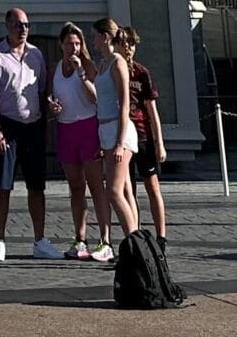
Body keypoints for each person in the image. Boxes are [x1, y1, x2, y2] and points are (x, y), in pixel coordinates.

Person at [0, 8, 59, 263]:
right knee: (3, 185)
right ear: (7, 26)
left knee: (37, 186)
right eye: (18, 25)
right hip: (8, 127)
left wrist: (48, 117)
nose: (23, 29)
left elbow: (41, 91)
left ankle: (40, 240)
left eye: (26, 25)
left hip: (33, 126)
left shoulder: (36, 55)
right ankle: (0, 240)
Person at [47, 23, 103, 261]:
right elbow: (52, 99)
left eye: (78, 43)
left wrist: (81, 74)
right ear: (61, 45)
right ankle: (80, 238)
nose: (74, 48)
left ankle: (105, 239)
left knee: (96, 186)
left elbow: (95, 97)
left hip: (88, 127)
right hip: (66, 128)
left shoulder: (88, 66)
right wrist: (53, 107)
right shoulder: (55, 68)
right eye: (70, 43)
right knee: (76, 187)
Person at [90, 20, 137, 264]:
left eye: (96, 37)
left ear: (106, 36)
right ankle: (133, 243)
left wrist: (119, 143)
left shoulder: (118, 63)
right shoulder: (102, 65)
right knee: (124, 189)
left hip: (120, 132)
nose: (94, 42)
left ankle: (134, 244)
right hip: (105, 129)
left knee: (114, 191)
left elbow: (124, 103)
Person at [120, 26, 168, 240]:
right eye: (123, 43)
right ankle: (135, 235)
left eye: (131, 44)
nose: (128, 48)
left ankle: (161, 236)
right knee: (127, 188)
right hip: (122, 137)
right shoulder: (113, 70)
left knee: (152, 184)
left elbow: (152, 110)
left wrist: (159, 143)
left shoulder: (141, 73)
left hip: (142, 135)